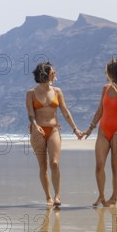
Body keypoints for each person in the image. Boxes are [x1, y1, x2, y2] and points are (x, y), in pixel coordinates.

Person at [26, 62, 83, 208]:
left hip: (54, 130)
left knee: (55, 163)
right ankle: (48, 197)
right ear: (45, 74)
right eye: (52, 72)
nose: (55, 74)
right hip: (37, 131)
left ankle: (57, 196)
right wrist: (36, 125)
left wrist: (75, 129)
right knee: (43, 166)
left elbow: (65, 111)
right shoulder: (31, 93)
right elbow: (31, 115)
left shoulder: (57, 91)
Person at [82, 59, 117, 207]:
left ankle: (114, 198)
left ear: (112, 72)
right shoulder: (105, 88)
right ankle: (101, 196)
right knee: (99, 165)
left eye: (107, 71)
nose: (105, 73)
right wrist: (90, 129)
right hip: (103, 132)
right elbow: (100, 111)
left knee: (115, 167)